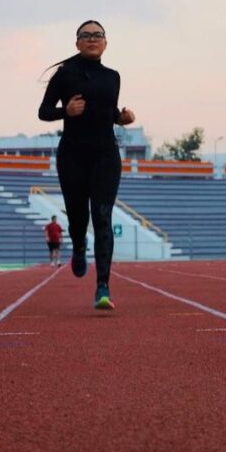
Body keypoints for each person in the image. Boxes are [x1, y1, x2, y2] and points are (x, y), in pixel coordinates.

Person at [39, 20, 135, 310]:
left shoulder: (113, 77)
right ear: (77, 43)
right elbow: (43, 112)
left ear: (106, 42)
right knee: (79, 219)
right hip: (73, 156)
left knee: (103, 216)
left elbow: (107, 112)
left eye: (98, 35)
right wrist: (64, 111)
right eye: (86, 35)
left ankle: (102, 286)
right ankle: (79, 246)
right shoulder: (65, 75)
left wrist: (122, 118)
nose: (92, 39)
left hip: (106, 155)